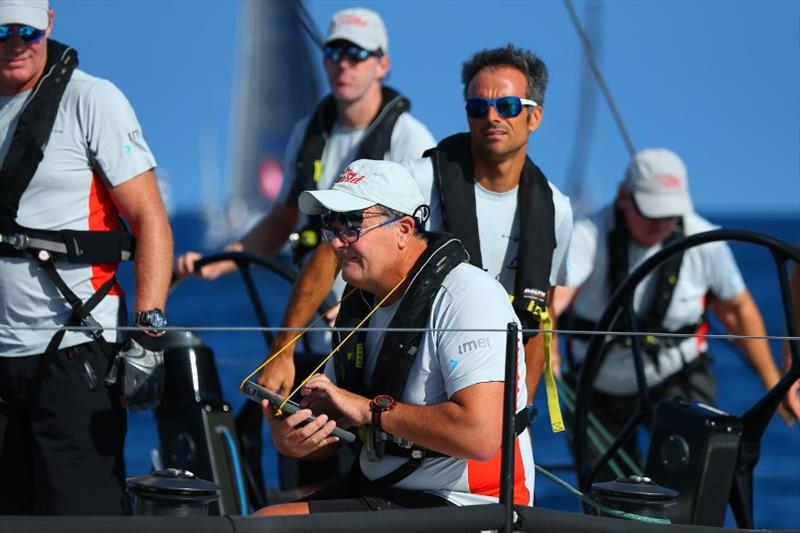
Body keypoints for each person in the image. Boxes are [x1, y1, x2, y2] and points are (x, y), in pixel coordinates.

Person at [262, 45, 572, 408]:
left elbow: (536, 321)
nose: (491, 118)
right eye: (477, 108)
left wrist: (521, 416)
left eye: (507, 107)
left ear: (534, 118)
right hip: (405, 372)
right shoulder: (418, 180)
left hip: (482, 383)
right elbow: (332, 251)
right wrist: (282, 352)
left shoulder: (556, 210)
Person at [255, 159, 534, 516]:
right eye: (331, 224)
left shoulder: (468, 296)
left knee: (266, 525)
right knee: (262, 521)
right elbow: (345, 424)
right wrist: (295, 440)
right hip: (385, 490)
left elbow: (481, 435)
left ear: (404, 229)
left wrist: (364, 408)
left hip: (468, 503)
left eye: (353, 224)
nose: (337, 241)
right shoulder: (360, 304)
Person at [0, 0, 172, 515]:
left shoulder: (92, 100)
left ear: (49, 25)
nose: (15, 42)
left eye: (27, 30)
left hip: (74, 348)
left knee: (78, 515)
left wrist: (148, 339)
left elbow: (151, 222)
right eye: (1, 30)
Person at [554, 148, 798, 475]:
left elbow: (738, 311)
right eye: (653, 213)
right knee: (608, 498)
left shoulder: (705, 240)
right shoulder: (588, 236)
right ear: (624, 198)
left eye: (670, 214)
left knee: (692, 483)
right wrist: (547, 351)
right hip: (595, 387)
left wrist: (774, 384)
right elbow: (552, 301)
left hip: (677, 378)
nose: (663, 223)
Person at [175, 6, 434, 284]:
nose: (343, 63)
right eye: (334, 53)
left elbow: (419, 238)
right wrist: (217, 263)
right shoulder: (306, 133)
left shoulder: (410, 139)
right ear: (324, 61)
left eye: (356, 54)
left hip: (373, 313)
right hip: (313, 309)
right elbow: (281, 222)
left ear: (383, 65)